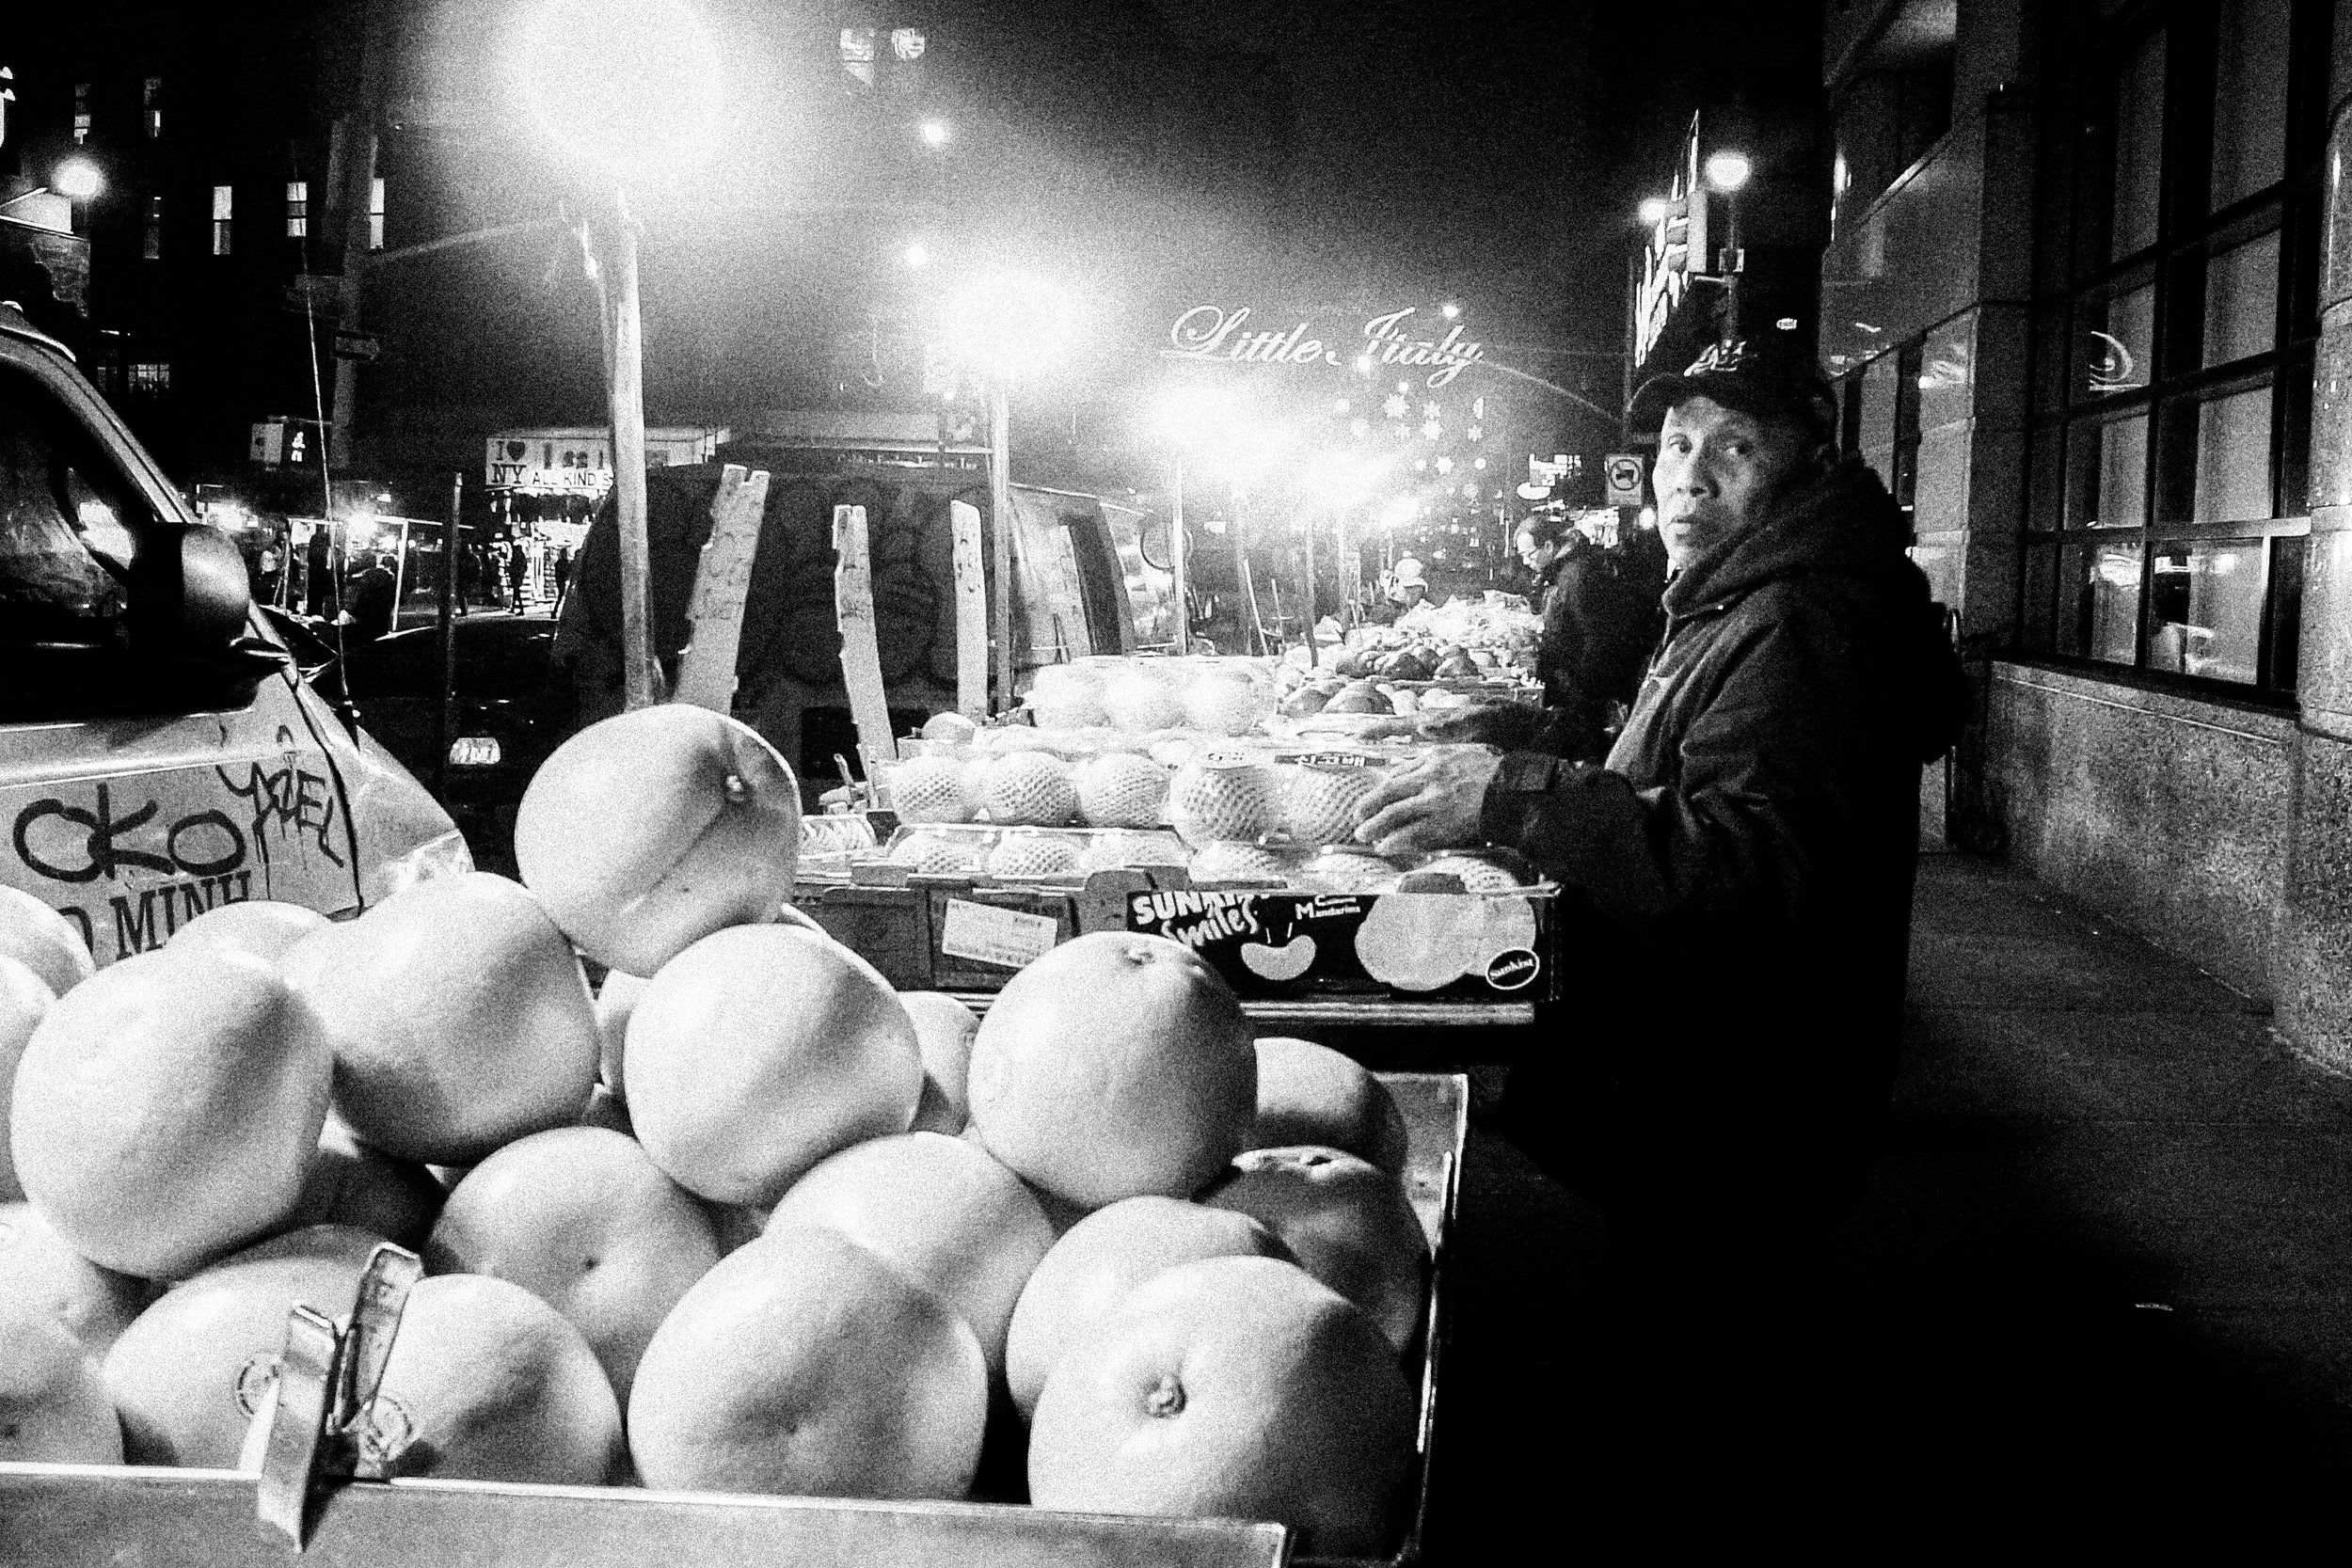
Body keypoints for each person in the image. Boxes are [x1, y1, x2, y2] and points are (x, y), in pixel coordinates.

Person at [1351, 341, 1967, 1523]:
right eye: (1677, 445)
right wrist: (1537, 743)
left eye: (1735, 447)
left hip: (1732, 1108)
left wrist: (1519, 795)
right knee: (1692, 1389)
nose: (1690, 474)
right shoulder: (1738, 599)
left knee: (1702, 1427)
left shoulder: (1795, 620)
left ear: (1807, 465)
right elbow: (1682, 778)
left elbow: (1744, 861)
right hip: (1714, 1101)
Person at [1517, 512, 1668, 763]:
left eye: (1529, 554)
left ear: (1548, 546)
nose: (1525, 561)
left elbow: (1598, 639)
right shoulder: (1561, 573)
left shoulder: (1577, 575)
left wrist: (1581, 691)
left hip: (1584, 697)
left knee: (1587, 761)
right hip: (1573, 691)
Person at [337, 549, 397, 641]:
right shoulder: (384, 581)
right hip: (380, 630)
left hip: (364, 634)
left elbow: (360, 611)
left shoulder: (367, 584)